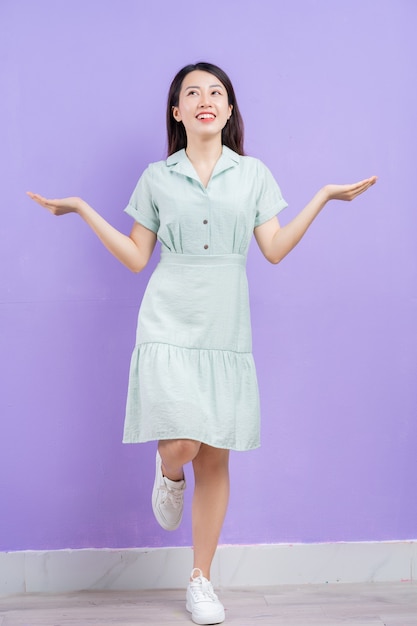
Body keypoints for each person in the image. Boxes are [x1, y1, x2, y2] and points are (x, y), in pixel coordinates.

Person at [27, 61, 377, 625]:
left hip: (225, 327)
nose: (205, 99)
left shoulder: (254, 174)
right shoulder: (157, 177)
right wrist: (84, 209)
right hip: (168, 321)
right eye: (192, 92)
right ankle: (167, 472)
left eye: (216, 91)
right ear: (178, 111)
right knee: (183, 446)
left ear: (230, 110)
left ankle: (201, 581)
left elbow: (275, 248)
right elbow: (140, 257)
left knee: (215, 458)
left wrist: (324, 197)